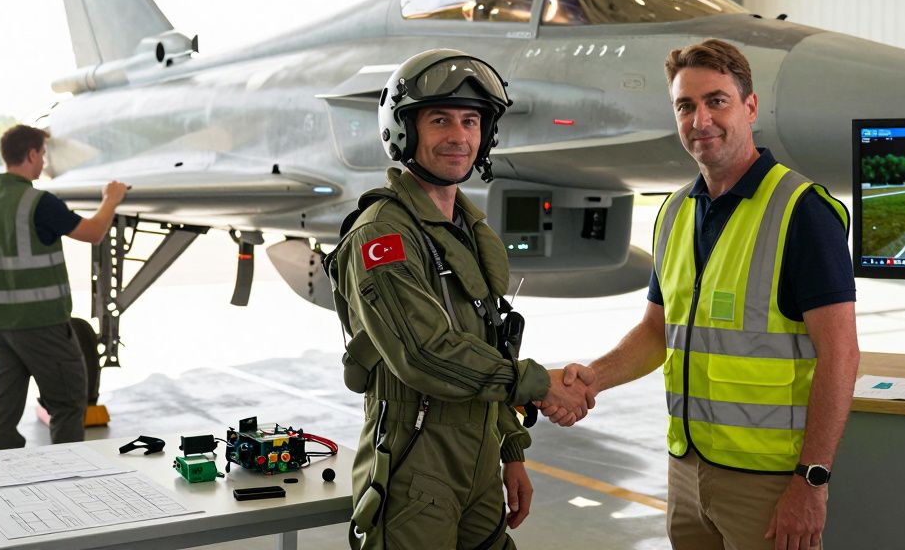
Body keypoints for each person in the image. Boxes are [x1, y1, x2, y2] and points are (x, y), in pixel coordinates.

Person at [547, 39, 860, 550]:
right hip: (686, 473)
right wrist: (593, 379)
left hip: (768, 481)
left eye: (717, 101)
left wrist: (812, 481)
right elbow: (656, 331)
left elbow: (841, 354)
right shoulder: (674, 212)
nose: (701, 120)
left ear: (750, 107)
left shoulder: (801, 211)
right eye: (685, 106)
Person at [327, 49, 591, 550]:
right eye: (440, 120)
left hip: (478, 460)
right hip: (414, 465)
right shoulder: (384, 234)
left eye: (471, 121)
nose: (459, 136)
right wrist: (536, 384)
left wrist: (511, 448)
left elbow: (489, 343)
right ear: (405, 131)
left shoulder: (465, 230)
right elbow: (425, 354)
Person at [0, 124, 127, 450]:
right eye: (42, 154)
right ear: (31, 154)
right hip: (41, 325)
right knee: (68, 403)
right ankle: (64, 483)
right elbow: (94, 232)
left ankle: (3, 481)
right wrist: (111, 199)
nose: (44, 162)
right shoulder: (38, 202)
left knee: (4, 411)